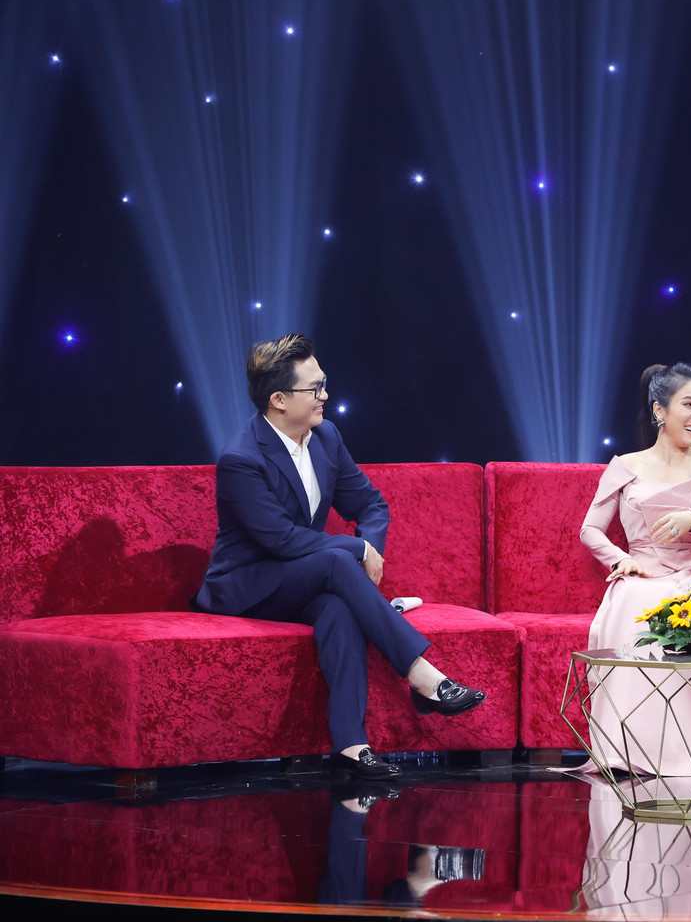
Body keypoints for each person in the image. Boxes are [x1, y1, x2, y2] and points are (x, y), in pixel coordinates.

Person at [193, 334, 484, 780]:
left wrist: (370, 545)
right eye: (315, 388)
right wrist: (357, 549)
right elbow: (281, 540)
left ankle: (351, 745)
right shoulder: (242, 459)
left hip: (303, 577)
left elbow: (371, 505)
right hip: (248, 584)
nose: (325, 396)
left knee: (337, 607)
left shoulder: (326, 437)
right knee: (337, 562)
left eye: (324, 384)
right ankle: (422, 676)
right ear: (278, 400)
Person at [576, 362, 691, 776]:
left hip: (689, 574)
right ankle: (623, 750)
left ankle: (681, 756)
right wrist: (621, 559)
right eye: (688, 405)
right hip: (639, 574)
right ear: (660, 410)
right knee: (632, 602)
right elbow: (590, 530)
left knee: (682, 609)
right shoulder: (625, 465)